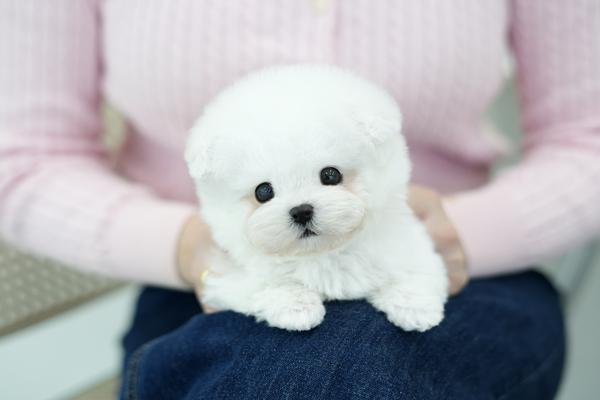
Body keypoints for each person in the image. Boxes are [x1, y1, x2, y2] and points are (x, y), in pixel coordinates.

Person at [1, 1, 598, 398]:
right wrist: (188, 245)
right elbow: (22, 161)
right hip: (208, 283)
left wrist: (458, 234)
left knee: (323, 369)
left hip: (465, 271)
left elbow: (588, 139)